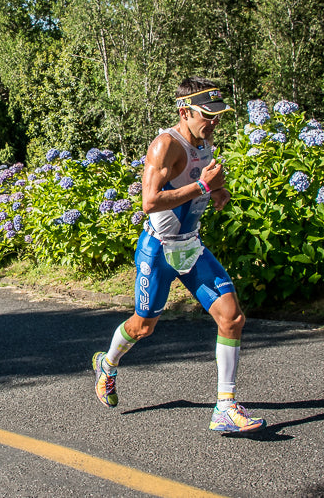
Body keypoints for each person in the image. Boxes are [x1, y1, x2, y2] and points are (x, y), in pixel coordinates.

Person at [91, 77, 266, 433]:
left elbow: (204, 180)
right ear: (185, 112)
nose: (214, 122)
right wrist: (203, 186)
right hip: (158, 250)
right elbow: (150, 201)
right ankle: (107, 365)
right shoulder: (165, 146)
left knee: (232, 318)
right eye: (207, 115)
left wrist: (218, 192)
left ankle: (225, 408)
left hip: (191, 246)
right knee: (143, 327)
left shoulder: (205, 140)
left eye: (218, 116)